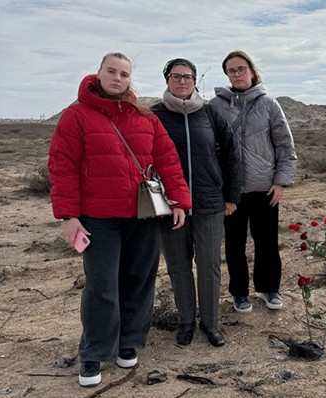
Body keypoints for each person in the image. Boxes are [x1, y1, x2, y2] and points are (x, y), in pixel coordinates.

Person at [48, 52, 191, 388]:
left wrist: (180, 200)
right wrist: (69, 216)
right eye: (111, 71)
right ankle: (94, 352)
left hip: (142, 216)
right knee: (101, 287)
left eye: (124, 74)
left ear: (130, 79)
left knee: (139, 281)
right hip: (98, 219)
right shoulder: (76, 116)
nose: (117, 78)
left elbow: (167, 159)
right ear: (98, 73)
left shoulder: (145, 117)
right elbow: (62, 166)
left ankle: (128, 340)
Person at [151, 58, 241, 347]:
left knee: (209, 264)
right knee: (178, 266)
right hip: (170, 206)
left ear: (195, 80)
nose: (182, 82)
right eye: (176, 76)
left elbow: (230, 155)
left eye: (188, 77)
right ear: (167, 79)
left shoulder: (210, 112)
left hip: (209, 202)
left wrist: (231, 196)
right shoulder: (154, 115)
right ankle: (187, 321)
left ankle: (211, 323)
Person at [210, 50, 297, 313]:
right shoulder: (215, 106)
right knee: (234, 244)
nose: (236, 74)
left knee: (267, 242)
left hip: (265, 188)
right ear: (226, 75)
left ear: (251, 71)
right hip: (231, 192)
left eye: (241, 69)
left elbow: (284, 145)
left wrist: (281, 182)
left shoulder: (269, 104)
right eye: (231, 71)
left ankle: (270, 288)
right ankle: (239, 293)